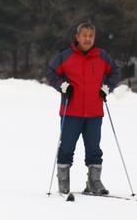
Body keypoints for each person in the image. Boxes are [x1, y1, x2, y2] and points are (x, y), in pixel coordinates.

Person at [46, 22, 121, 195]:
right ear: (77, 37)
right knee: (66, 147)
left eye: (91, 36)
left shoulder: (102, 56)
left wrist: (107, 87)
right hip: (71, 111)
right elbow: (51, 73)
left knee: (94, 148)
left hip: (94, 112)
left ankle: (94, 182)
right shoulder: (65, 56)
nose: (88, 39)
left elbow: (115, 72)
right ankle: (63, 181)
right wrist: (63, 86)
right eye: (84, 35)